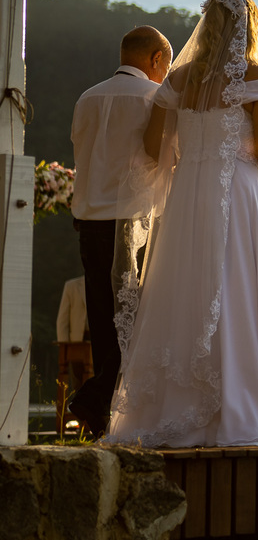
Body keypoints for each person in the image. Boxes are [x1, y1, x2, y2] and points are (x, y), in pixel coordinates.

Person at [104, 0, 258, 447]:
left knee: (186, 290)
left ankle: (172, 407)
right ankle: (243, 405)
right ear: (248, 27)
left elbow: (154, 149)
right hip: (241, 195)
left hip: (188, 196)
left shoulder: (177, 79)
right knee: (242, 289)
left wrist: (195, 160)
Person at [68, 25, 171, 437]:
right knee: (133, 320)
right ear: (157, 60)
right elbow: (164, 154)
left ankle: (102, 410)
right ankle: (98, 402)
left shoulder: (86, 98)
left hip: (89, 221)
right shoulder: (154, 98)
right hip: (132, 223)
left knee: (102, 316)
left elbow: (81, 149)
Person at [56, 275, 90, 389]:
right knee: (78, 380)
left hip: (100, 340)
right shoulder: (72, 286)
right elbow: (63, 319)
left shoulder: (107, 283)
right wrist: (64, 346)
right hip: (78, 340)